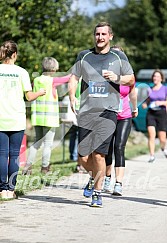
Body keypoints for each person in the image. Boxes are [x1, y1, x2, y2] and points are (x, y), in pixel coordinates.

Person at [68, 22, 135, 207]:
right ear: (94, 36)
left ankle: (97, 193)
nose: (100, 37)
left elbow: (131, 79)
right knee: (82, 157)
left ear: (110, 36)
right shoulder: (84, 55)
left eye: (104, 34)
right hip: (87, 111)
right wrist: (72, 96)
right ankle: (94, 176)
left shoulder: (118, 56)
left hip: (109, 111)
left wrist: (117, 78)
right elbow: (73, 77)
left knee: (99, 155)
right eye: (97, 34)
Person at [0, 40, 46, 199]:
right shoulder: (22, 72)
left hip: (0, 118)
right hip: (16, 118)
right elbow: (29, 96)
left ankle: (2, 189)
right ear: (15, 54)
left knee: (1, 154)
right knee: (14, 155)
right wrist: (40, 92)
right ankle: (11, 190)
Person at [22, 57, 71, 175]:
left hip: (37, 117)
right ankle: (45, 167)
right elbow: (67, 78)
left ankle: (27, 166)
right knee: (48, 145)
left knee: (36, 143)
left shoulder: (36, 80)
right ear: (54, 69)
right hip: (49, 118)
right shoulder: (52, 81)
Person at [142, 69, 167, 162]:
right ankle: (152, 156)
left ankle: (163, 148)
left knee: (162, 138)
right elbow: (148, 100)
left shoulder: (165, 89)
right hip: (151, 113)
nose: (155, 78)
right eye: (154, 76)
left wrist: (161, 102)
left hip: (161, 113)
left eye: (157, 76)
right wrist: (145, 104)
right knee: (151, 135)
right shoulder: (150, 89)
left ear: (161, 78)